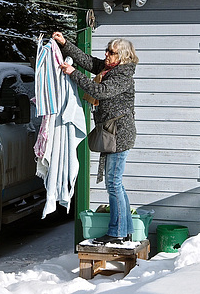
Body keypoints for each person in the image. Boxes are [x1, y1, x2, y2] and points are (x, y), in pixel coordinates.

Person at [52, 32, 138, 244]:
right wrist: (65, 44)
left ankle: (117, 233)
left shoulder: (122, 76)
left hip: (119, 134)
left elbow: (98, 91)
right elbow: (88, 61)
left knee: (113, 183)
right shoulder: (110, 69)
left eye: (111, 52)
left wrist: (73, 73)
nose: (106, 54)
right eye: (107, 50)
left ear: (122, 57)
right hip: (112, 132)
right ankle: (125, 230)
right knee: (116, 183)